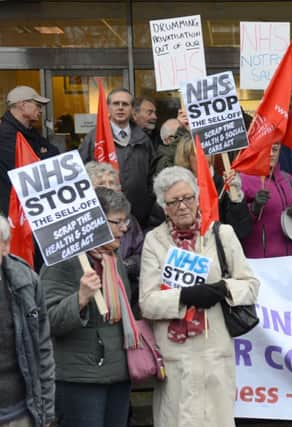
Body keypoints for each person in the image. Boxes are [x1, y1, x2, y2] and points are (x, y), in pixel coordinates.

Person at [139, 166, 259, 427]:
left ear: (197, 198)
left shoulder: (221, 234)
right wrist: (183, 296)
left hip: (215, 353)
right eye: (174, 201)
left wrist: (222, 289)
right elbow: (147, 302)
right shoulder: (154, 241)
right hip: (175, 359)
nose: (182, 206)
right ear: (164, 207)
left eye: (188, 198)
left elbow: (251, 285)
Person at [41, 188, 136, 427]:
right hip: (79, 380)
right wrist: (80, 298)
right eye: (118, 222)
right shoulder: (62, 260)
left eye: (126, 221)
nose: (125, 228)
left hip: (119, 374)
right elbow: (48, 320)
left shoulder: (113, 261)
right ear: (95, 222)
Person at [0, 214, 54, 427]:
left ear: (5, 246)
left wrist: (46, 412)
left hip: (21, 413)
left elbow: (43, 349)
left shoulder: (25, 280)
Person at [79, 88, 155, 228]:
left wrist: (147, 206)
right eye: (116, 103)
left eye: (125, 104)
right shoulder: (94, 139)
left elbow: (152, 177)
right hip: (103, 217)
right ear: (108, 107)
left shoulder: (144, 140)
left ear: (132, 109)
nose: (120, 108)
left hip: (138, 217)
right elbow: (80, 176)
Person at [85, 161, 144, 317]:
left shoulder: (129, 220)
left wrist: (123, 266)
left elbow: (142, 254)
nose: (108, 187)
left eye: (112, 183)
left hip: (127, 295)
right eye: (101, 183)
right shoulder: (81, 225)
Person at [173, 132, 253, 241]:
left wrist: (236, 197)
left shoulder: (223, 186)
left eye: (207, 152)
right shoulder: (173, 189)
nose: (205, 157)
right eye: (199, 153)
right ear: (186, 159)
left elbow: (241, 230)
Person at [0, 86, 59, 216]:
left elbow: (54, 152)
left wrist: (40, 154)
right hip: (15, 209)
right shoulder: (5, 133)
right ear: (22, 105)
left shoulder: (28, 130)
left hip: (31, 204)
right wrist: (41, 154)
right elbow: (27, 167)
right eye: (37, 105)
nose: (41, 110)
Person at [240, 143, 292, 258]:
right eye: (267, 149)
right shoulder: (244, 179)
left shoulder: (288, 179)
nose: (271, 154)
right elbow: (236, 222)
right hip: (260, 262)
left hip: (291, 259)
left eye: (275, 149)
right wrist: (253, 208)